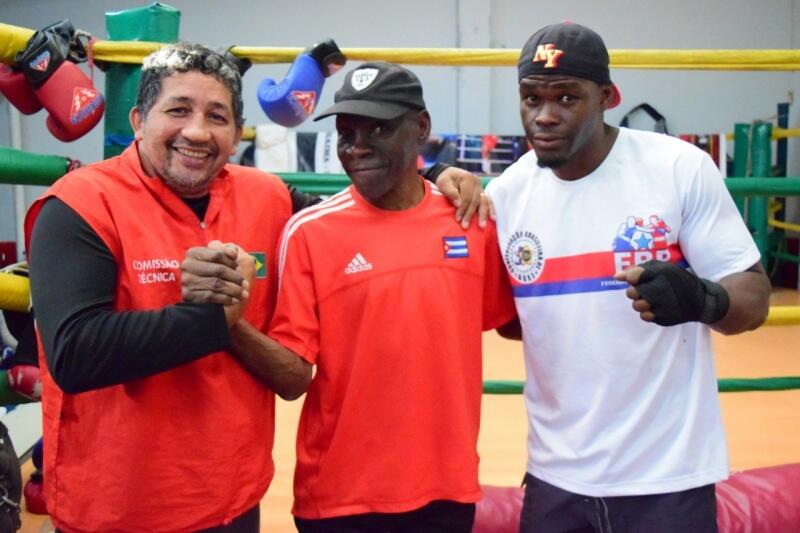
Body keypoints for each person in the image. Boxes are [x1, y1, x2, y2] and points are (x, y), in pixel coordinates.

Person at [25, 43, 485, 532]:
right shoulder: (79, 204)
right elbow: (75, 354)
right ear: (139, 120)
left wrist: (433, 174)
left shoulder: (263, 194)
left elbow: (364, 210)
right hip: (119, 508)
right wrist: (211, 318)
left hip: (235, 497)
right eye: (178, 110)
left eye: (217, 116)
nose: (197, 131)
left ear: (235, 131)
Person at [459, 21, 770, 532]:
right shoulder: (509, 194)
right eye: (531, 98)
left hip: (667, 479)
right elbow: (517, 323)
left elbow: (753, 297)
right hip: (554, 478)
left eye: (566, 98)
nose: (545, 116)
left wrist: (703, 300)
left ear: (607, 96)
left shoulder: (677, 168)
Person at [181, 61, 518, 532]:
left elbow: (515, 319)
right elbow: (293, 375)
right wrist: (225, 321)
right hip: (341, 500)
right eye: (346, 133)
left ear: (420, 127)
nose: (357, 147)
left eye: (378, 129)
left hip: (448, 489)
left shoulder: (469, 220)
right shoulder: (310, 233)